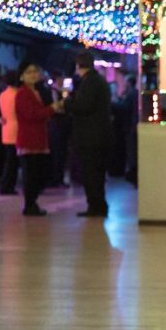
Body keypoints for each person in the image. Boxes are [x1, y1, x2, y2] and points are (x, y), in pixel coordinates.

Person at [57, 51, 113, 217]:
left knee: (91, 172)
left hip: (90, 136)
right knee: (97, 172)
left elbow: (84, 106)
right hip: (100, 135)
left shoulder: (89, 82)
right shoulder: (98, 81)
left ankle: (95, 206)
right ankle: (99, 205)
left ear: (78, 66)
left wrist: (67, 103)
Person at [15, 61, 54, 216]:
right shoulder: (22, 93)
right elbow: (31, 114)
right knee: (31, 174)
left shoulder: (36, 91)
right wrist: (51, 110)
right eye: (29, 72)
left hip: (38, 138)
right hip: (29, 139)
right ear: (22, 76)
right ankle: (30, 204)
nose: (33, 75)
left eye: (35, 71)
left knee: (38, 173)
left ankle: (33, 202)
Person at [0, 71, 19, 195]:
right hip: (16, 129)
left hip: (6, 128)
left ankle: (5, 184)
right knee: (12, 162)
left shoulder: (2, 95)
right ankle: (8, 186)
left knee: (9, 160)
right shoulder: (17, 94)